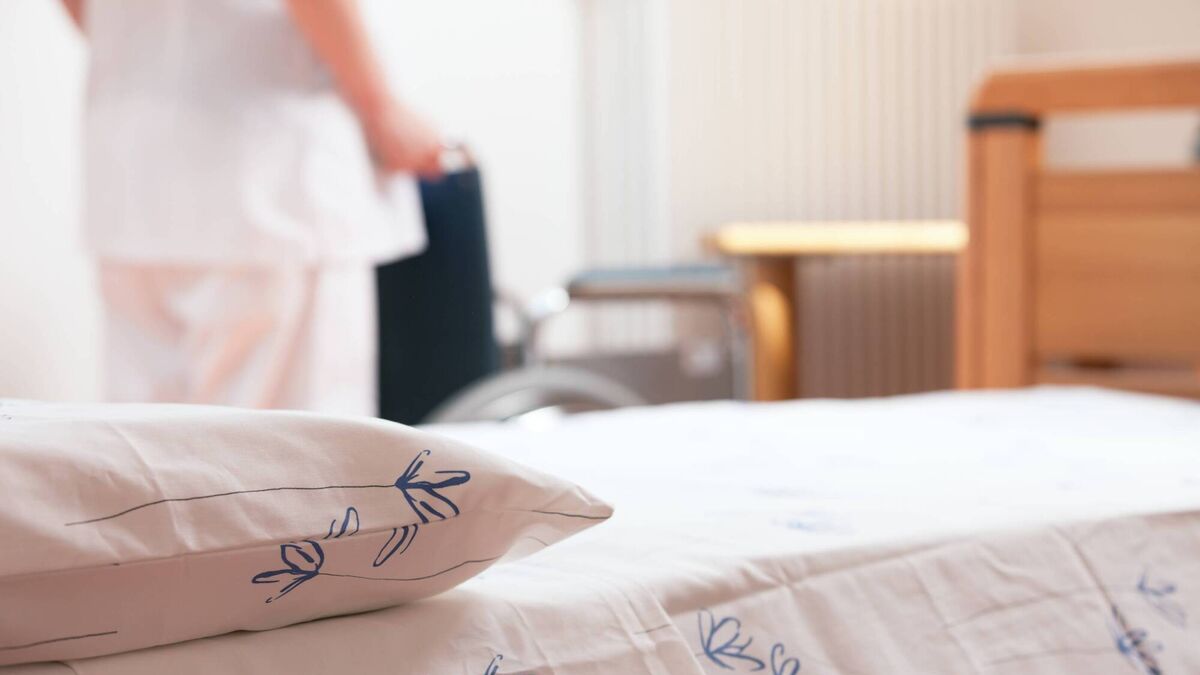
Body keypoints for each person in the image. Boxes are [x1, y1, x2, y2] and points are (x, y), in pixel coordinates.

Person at [60, 0, 439, 415]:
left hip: (132, 167)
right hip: (265, 171)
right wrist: (380, 108)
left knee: (149, 434)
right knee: (289, 442)